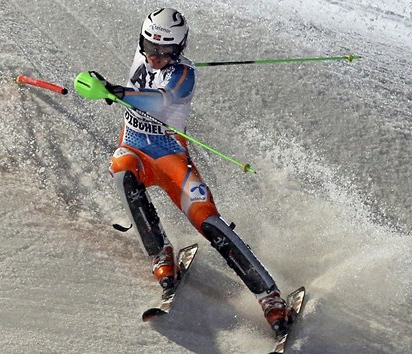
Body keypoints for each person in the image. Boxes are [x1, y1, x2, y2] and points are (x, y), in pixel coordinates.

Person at [84, 8, 292, 334]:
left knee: (207, 220)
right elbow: (118, 79)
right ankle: (161, 255)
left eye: (163, 52)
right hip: (135, 149)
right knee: (122, 170)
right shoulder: (148, 54)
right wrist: (91, 82)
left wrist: (116, 91)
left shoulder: (184, 76)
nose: (153, 57)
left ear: (178, 50)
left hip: (169, 157)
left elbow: (159, 101)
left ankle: (270, 298)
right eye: (148, 47)